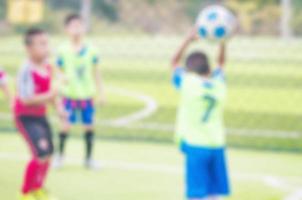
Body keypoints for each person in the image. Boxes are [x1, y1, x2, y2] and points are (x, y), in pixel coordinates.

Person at [171, 27, 231, 200]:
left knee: (196, 193)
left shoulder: (188, 83)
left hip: (195, 145)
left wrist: (187, 40)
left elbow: (174, 62)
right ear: (209, 69)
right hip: (217, 144)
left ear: (189, 69)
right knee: (214, 193)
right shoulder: (219, 84)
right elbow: (221, 64)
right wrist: (222, 42)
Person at [14, 28, 65, 200]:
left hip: (41, 115)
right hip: (26, 117)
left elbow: (51, 93)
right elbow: (26, 99)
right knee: (40, 153)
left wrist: (59, 108)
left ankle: (38, 188)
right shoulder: (26, 70)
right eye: (41, 44)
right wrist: (50, 95)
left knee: (49, 152)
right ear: (29, 48)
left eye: (47, 43)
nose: (46, 48)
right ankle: (26, 193)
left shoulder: (48, 67)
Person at [52, 14, 105, 170]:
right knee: (65, 125)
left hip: (87, 95)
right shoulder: (62, 50)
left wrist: (101, 92)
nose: (77, 29)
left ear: (84, 28)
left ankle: (89, 159)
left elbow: (96, 72)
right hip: (69, 94)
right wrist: (62, 78)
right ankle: (60, 157)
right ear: (66, 29)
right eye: (73, 26)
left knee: (89, 126)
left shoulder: (92, 50)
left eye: (79, 26)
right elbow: (57, 70)